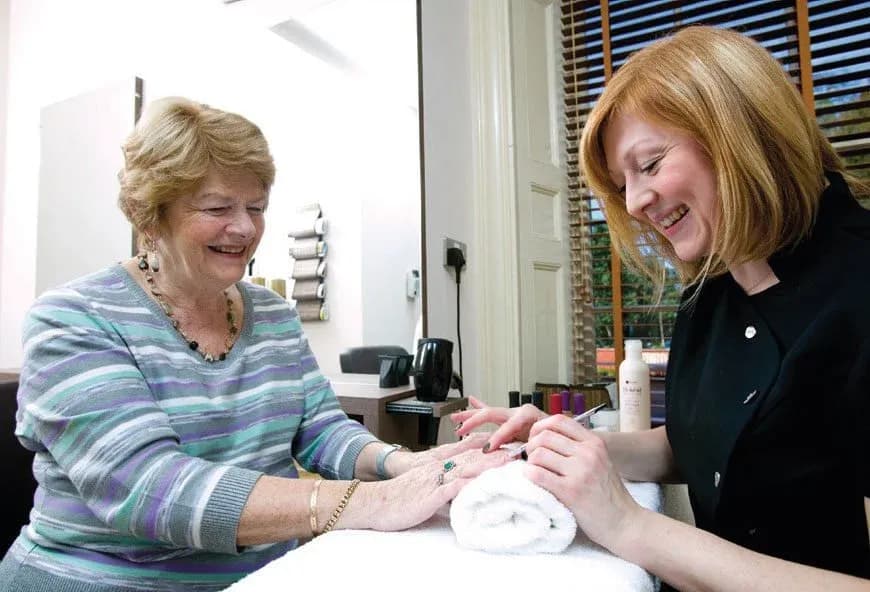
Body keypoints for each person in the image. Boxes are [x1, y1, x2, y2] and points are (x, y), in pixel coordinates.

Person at [0, 97, 507, 591]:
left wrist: (403, 464)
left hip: (268, 575)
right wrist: (374, 500)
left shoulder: (272, 314)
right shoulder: (73, 319)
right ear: (151, 216)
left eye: (256, 207)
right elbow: (151, 490)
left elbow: (322, 430)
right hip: (105, 579)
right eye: (218, 207)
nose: (244, 227)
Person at [454, 26, 869, 591]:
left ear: (741, 131)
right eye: (622, 182)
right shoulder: (712, 291)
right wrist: (566, 445)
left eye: (648, 164)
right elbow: (697, 441)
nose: (633, 202)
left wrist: (630, 526)